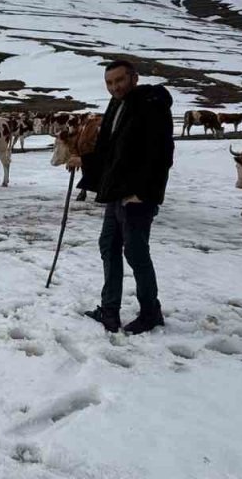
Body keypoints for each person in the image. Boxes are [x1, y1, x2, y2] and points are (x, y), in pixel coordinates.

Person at [66, 59, 174, 334]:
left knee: (136, 252)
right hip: (116, 191)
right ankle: (109, 309)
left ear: (134, 78)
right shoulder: (117, 105)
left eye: (119, 80)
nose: (115, 87)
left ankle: (151, 312)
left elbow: (161, 153)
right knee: (108, 246)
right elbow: (111, 151)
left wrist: (143, 193)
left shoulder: (151, 105)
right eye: (109, 83)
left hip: (136, 195)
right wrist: (85, 161)